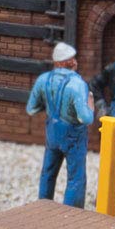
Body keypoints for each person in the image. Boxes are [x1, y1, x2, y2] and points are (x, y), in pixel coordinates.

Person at [26, 42, 95, 208]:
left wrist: (48, 106)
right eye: (73, 58)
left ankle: (43, 209)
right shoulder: (78, 84)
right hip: (73, 135)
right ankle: (71, 214)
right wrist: (91, 105)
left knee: (48, 172)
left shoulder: (43, 80)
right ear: (71, 62)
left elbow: (31, 109)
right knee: (76, 177)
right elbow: (86, 119)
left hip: (52, 133)